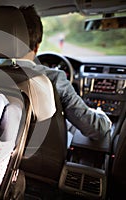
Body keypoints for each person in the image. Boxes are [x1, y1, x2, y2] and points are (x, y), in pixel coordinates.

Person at [14, 5, 111, 140]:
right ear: (37, 46)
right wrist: (102, 117)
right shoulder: (53, 79)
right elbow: (95, 130)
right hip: (43, 158)